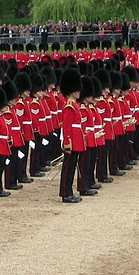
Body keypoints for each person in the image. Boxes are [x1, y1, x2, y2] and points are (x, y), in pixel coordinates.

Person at [58, 69, 85, 203]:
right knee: (68, 168)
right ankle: (65, 193)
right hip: (71, 141)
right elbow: (67, 127)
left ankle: (68, 191)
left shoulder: (74, 105)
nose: (80, 91)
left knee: (72, 167)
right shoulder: (69, 106)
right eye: (77, 89)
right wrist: (67, 143)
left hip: (76, 139)